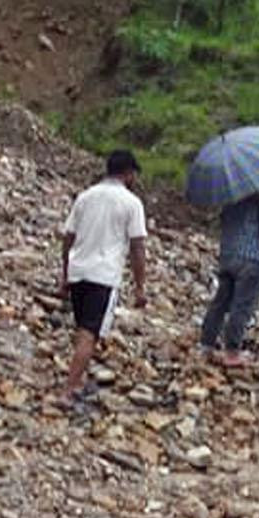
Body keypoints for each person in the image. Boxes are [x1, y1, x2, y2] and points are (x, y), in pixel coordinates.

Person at [57, 150, 147, 404]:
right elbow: (137, 247)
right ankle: (69, 389)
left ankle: (77, 378)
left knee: (83, 328)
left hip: (78, 271)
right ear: (129, 174)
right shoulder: (131, 203)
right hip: (103, 275)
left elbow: (68, 238)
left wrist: (65, 274)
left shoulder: (86, 197)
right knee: (89, 333)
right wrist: (140, 287)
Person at [198, 181, 259, 367]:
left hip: (229, 252)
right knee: (242, 306)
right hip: (252, 257)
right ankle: (232, 351)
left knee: (221, 301)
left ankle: (206, 344)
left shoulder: (232, 188)